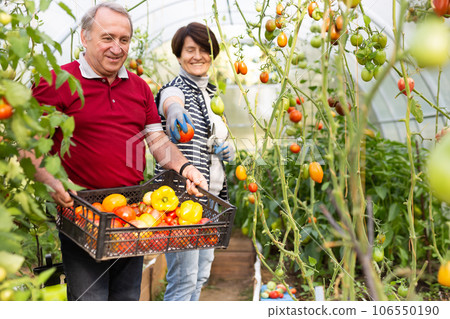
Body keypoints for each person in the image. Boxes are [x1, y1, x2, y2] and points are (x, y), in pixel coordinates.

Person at [30, 3, 207, 301]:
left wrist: (186, 168)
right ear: (84, 38)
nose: (117, 48)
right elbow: (31, 145)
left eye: (124, 40)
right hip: (81, 213)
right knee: (91, 299)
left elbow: (158, 142)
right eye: (107, 38)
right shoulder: (56, 82)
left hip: (134, 214)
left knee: (126, 298)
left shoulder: (139, 88)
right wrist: (50, 180)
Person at [155, 22, 235, 301]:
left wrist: (226, 152)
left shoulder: (211, 95)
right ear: (178, 56)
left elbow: (213, 141)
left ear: (212, 55)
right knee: (183, 280)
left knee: (199, 276)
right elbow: (170, 99)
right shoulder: (177, 88)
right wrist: (175, 109)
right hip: (182, 200)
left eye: (204, 50)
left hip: (210, 201)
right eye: (190, 50)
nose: (198, 56)